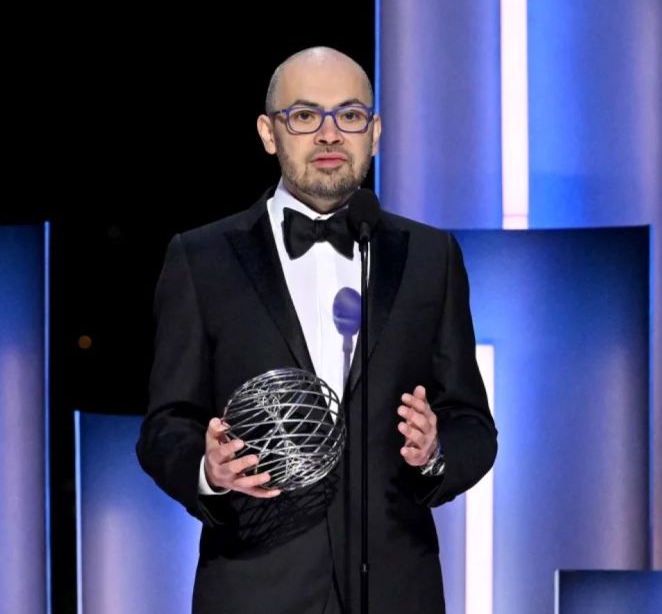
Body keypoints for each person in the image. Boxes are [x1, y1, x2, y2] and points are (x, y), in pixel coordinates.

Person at [136, 46, 497, 614]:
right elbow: (165, 426)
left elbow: (473, 423)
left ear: (374, 133)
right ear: (268, 133)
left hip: (397, 590)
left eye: (350, 115)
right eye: (304, 116)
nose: (330, 134)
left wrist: (435, 451)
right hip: (256, 589)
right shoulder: (200, 258)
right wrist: (207, 469)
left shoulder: (431, 256)